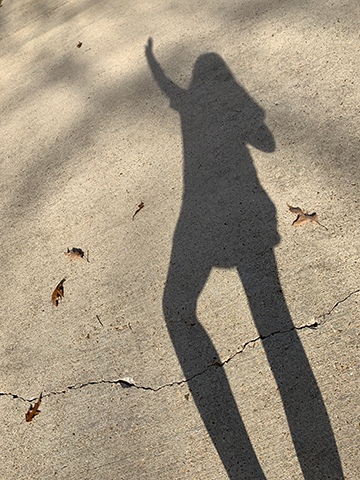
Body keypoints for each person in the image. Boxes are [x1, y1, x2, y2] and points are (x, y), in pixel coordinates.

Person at [146, 38, 344, 479]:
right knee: (277, 329)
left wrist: (156, 66)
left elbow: (171, 91)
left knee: (182, 310)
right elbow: (267, 143)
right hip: (250, 213)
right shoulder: (215, 103)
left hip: (210, 215)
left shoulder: (189, 104)